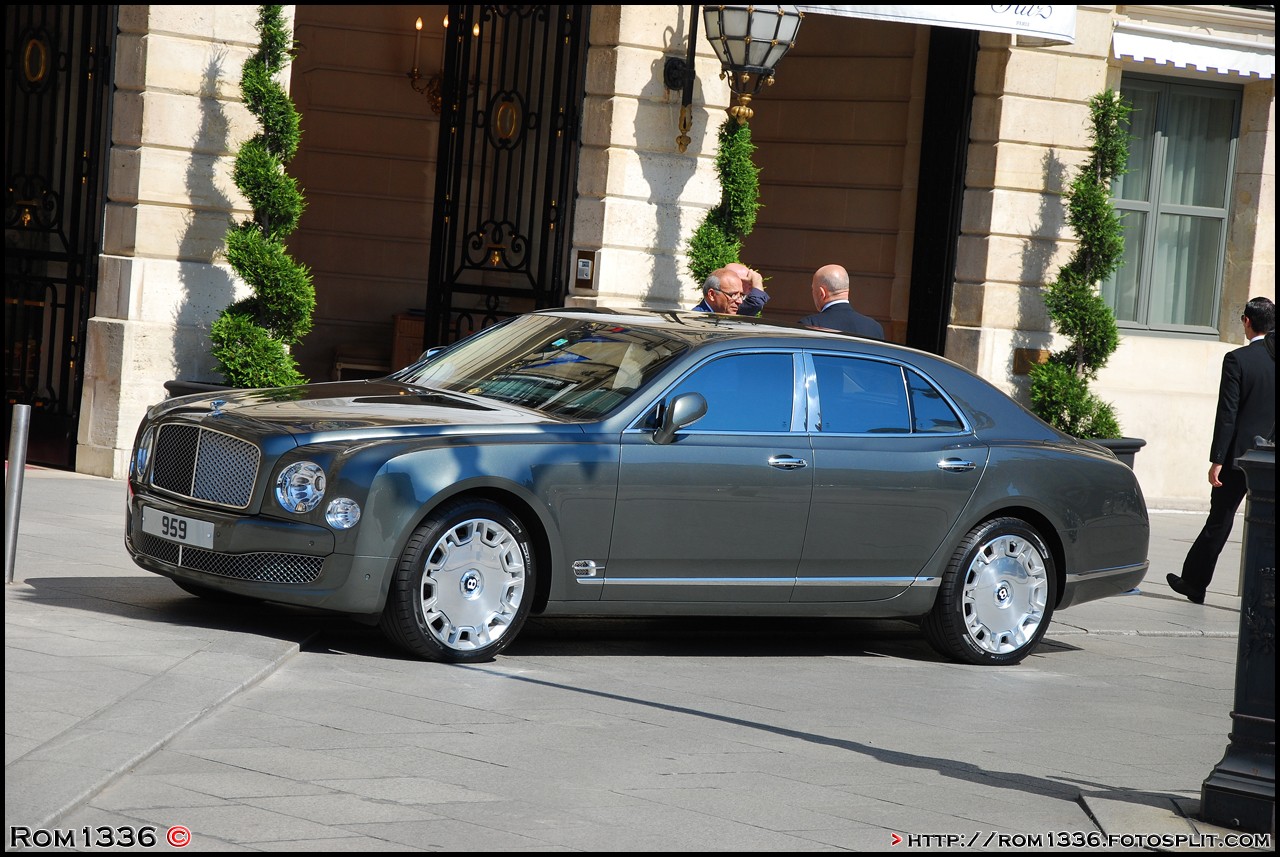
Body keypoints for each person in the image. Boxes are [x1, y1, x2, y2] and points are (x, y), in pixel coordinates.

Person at [1167, 296, 1276, 604]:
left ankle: (1194, 583)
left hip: (1240, 456)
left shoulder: (1238, 359)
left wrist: (1217, 459)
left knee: (1221, 518)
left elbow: (1228, 413)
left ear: (1246, 322)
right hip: (1270, 453)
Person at [798, 264, 884, 339]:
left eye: (813, 289)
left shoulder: (809, 325)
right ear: (847, 290)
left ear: (822, 293)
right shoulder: (874, 328)